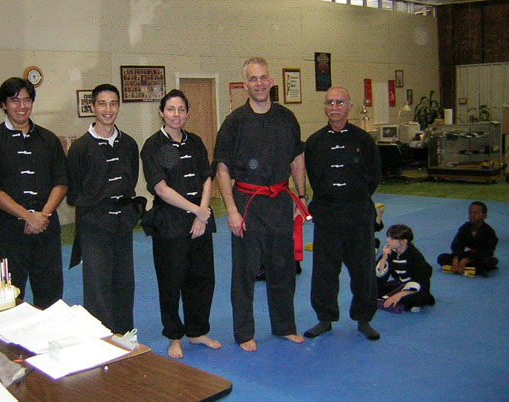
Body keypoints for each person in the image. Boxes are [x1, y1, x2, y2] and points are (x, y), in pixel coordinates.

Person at [214, 57, 307, 352]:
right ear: (245, 84)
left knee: (283, 269)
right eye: (253, 79)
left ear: (271, 81)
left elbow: (297, 158)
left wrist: (302, 196)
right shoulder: (235, 122)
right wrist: (231, 210)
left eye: (263, 77)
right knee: (245, 272)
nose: (259, 83)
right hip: (247, 203)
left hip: (280, 201)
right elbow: (222, 168)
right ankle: (244, 333)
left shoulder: (286, 118)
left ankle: (285, 326)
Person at [140, 89, 221, 359]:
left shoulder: (195, 142)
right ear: (162, 113)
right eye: (171, 109)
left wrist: (202, 213)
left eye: (182, 109)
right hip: (170, 223)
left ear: (187, 113)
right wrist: (196, 210)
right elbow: (161, 189)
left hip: (200, 220)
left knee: (202, 279)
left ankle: (198, 331)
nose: (176, 114)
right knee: (171, 281)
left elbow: (207, 177)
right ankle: (174, 335)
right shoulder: (152, 145)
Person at [0, 77, 67, 309]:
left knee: (51, 298)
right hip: (9, 231)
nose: (22, 106)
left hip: (46, 228)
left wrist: (41, 217)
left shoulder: (48, 139)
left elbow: (61, 182)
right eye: (15, 100)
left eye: (27, 100)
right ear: (4, 104)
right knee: (9, 297)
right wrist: (27, 216)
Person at [304, 86, 382, 340]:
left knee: (363, 270)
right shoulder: (315, 141)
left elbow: (374, 176)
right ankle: (325, 318)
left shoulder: (363, 140)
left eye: (340, 102)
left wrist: (354, 198)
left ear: (349, 106)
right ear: (325, 107)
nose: (334, 107)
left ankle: (363, 318)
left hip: (358, 215)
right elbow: (314, 177)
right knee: (324, 271)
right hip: (327, 215)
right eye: (330, 102)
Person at [66, 84, 141, 334]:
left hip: (122, 223)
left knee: (124, 283)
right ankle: (101, 339)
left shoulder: (128, 144)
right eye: (102, 104)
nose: (108, 109)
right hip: (94, 225)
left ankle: (124, 336)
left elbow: (131, 181)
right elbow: (74, 191)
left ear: (118, 106)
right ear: (93, 107)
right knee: (97, 285)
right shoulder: (80, 148)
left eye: (113, 103)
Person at [376, 224, 435, 313]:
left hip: (416, 287)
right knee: (372, 290)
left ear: (403, 242)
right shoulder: (390, 253)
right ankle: (398, 304)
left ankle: (401, 302)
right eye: (388, 237)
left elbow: (421, 280)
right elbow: (380, 278)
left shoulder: (415, 256)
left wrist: (401, 294)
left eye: (392, 238)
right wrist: (384, 258)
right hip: (399, 284)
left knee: (417, 298)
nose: (387, 240)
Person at [437, 201, 499, 277]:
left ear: (484, 216)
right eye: (470, 212)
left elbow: (487, 251)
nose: (472, 215)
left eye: (476, 213)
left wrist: (466, 260)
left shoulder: (489, 232)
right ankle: (475, 269)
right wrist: (456, 259)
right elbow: (457, 244)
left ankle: (476, 267)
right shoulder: (465, 228)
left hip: (479, 257)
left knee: (488, 261)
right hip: (467, 254)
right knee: (442, 258)